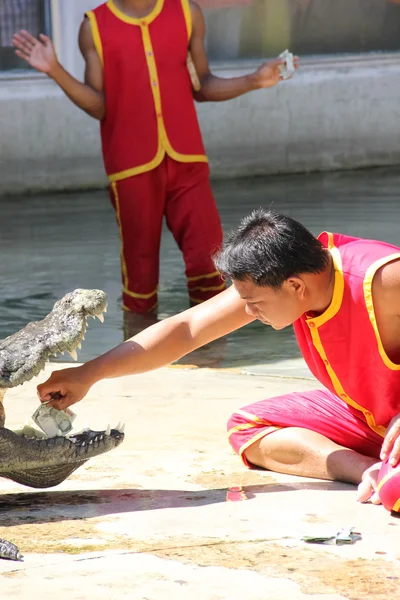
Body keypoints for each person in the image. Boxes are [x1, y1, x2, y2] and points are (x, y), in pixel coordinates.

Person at [37, 209, 400, 507]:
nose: (249, 312)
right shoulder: (288, 277)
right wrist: (88, 374)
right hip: (371, 419)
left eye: (255, 304)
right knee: (248, 428)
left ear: (295, 286)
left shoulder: (383, 279)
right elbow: (188, 328)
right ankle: (369, 469)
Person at [13, 0, 288, 317]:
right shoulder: (94, 26)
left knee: (210, 265)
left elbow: (203, 84)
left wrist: (254, 80)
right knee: (140, 279)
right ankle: (138, 357)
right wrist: (55, 70)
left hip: (188, 162)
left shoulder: (187, 13)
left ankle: (214, 357)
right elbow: (99, 106)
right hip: (130, 167)